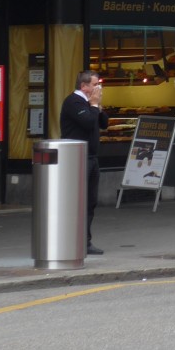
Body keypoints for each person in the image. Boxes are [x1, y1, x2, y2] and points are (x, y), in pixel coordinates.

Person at [60, 71, 110, 255]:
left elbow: (103, 124)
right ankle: (72, 239)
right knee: (78, 201)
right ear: (84, 86)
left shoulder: (89, 104)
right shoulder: (73, 102)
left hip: (92, 157)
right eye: (95, 84)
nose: (98, 88)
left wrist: (98, 107)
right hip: (77, 158)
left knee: (90, 201)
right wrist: (93, 105)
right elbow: (88, 122)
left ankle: (85, 241)